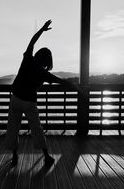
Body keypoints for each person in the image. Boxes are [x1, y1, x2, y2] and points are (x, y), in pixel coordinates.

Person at [5, 20, 77, 166]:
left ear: (38, 54)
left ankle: (14, 157)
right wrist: (77, 88)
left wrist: (42, 30)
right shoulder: (44, 74)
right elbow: (61, 81)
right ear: (48, 60)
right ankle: (46, 156)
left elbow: (32, 41)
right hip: (29, 102)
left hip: (16, 98)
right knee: (36, 128)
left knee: (13, 127)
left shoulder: (27, 60)